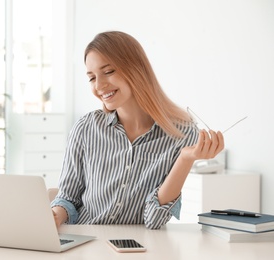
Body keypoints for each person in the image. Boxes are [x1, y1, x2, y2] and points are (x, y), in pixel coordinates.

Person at [51, 31, 224, 229]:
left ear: (135, 69)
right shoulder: (86, 128)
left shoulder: (182, 134)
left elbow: (154, 220)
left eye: (108, 72)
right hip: (86, 242)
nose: (99, 85)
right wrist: (55, 215)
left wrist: (185, 159)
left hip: (138, 248)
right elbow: (67, 198)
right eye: (91, 78)